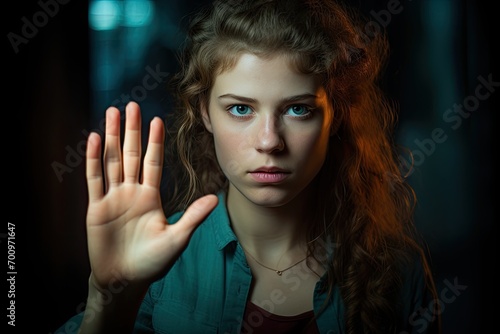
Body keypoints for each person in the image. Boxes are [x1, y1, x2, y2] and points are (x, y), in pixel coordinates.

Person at [56, 0, 442, 333]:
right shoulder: (156, 261)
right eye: (241, 109)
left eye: (298, 109)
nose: (270, 141)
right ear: (205, 112)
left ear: (335, 116)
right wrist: (107, 302)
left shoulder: (397, 271)